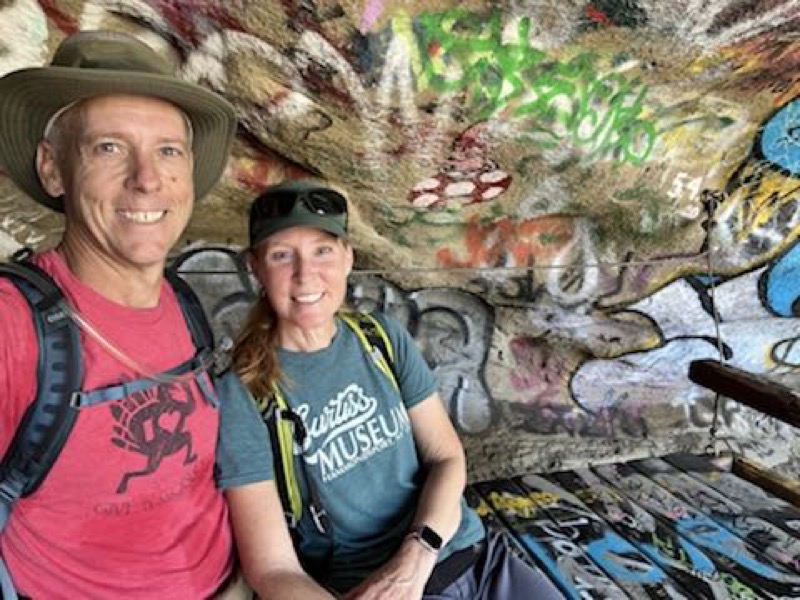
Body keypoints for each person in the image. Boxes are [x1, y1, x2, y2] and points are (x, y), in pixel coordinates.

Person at [0, 30, 256, 598]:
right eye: (109, 147)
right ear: (52, 169)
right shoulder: (14, 328)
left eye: (168, 150)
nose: (147, 178)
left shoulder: (184, 303)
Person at [220, 179, 565, 599]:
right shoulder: (245, 390)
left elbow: (446, 455)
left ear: (348, 257)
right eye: (281, 256)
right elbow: (272, 569)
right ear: (255, 267)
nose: (305, 274)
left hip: (468, 552)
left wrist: (418, 554)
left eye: (322, 251)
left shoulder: (378, 337)